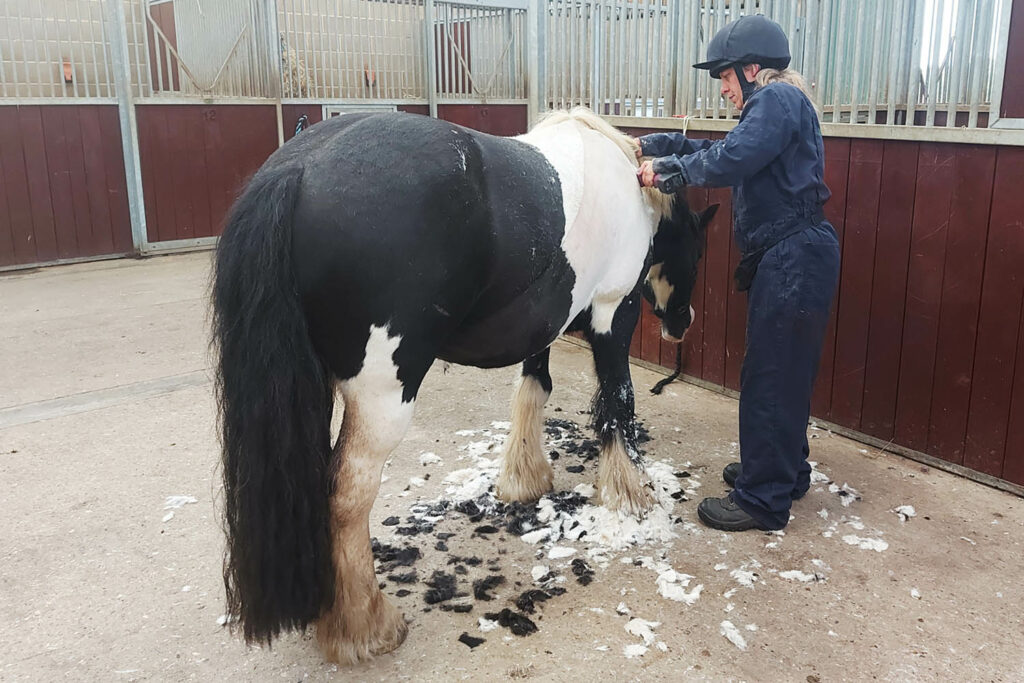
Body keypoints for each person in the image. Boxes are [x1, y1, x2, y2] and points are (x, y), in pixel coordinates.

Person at [636, 15, 840, 532]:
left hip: (792, 254)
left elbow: (731, 158)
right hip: (793, 254)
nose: (723, 89)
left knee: (771, 375)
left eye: (726, 77)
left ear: (752, 69)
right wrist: (657, 144)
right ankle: (783, 471)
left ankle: (763, 500)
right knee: (784, 370)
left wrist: (665, 172)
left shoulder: (773, 101)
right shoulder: (778, 106)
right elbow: (717, 151)